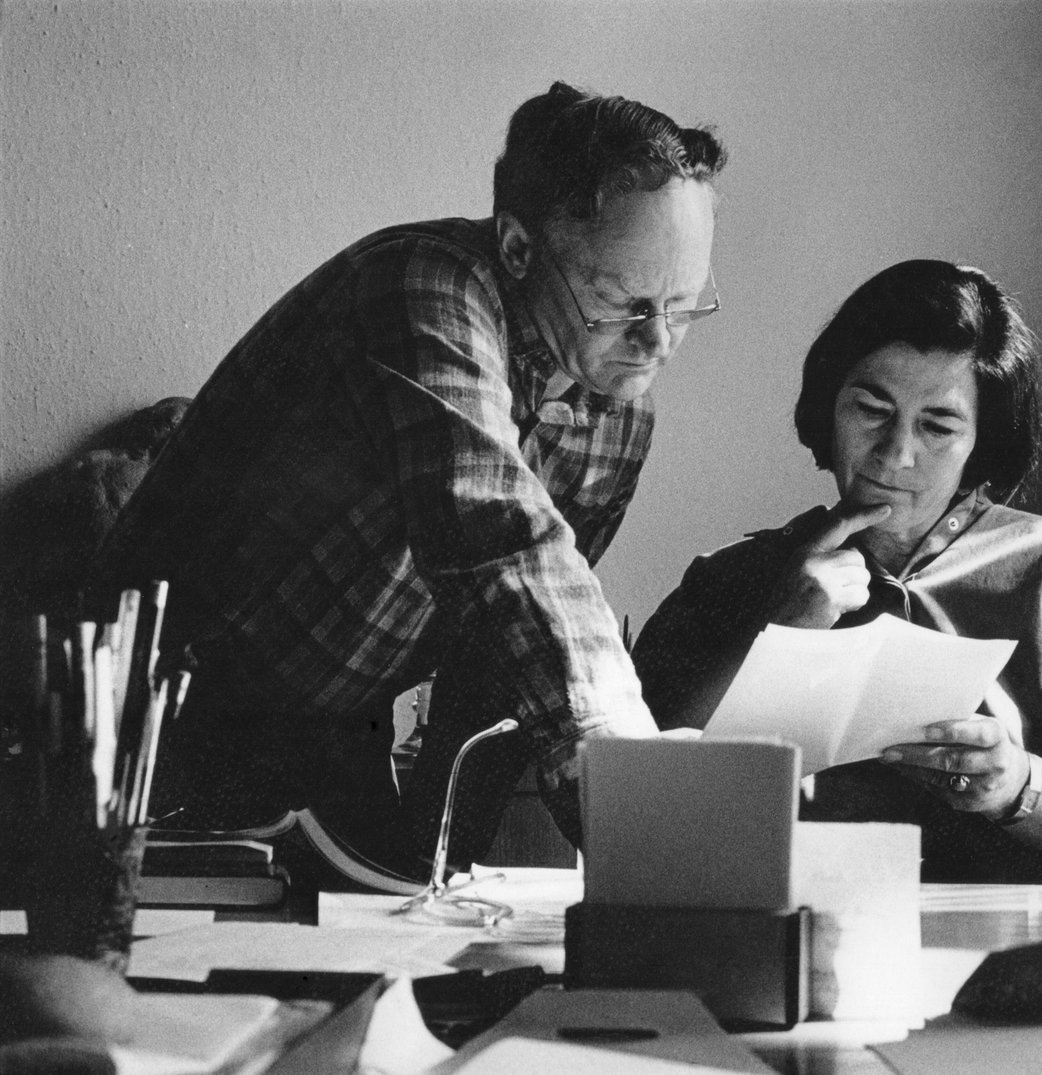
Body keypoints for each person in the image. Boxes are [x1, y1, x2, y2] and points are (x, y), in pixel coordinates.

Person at [94, 82, 725, 871]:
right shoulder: (422, 286)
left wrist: (449, 860)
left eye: (684, 303)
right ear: (519, 248)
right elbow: (497, 534)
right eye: (620, 301)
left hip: (338, 733)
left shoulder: (622, 415)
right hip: (150, 706)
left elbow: (507, 651)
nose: (657, 340)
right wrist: (614, 746)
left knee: (406, 919)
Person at [631, 260, 1042, 883]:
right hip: (785, 919)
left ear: (981, 442)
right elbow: (630, 809)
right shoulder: (727, 579)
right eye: (872, 410)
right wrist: (781, 636)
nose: (896, 453)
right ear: (829, 409)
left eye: (937, 426)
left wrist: (1017, 784)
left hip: (1012, 927)